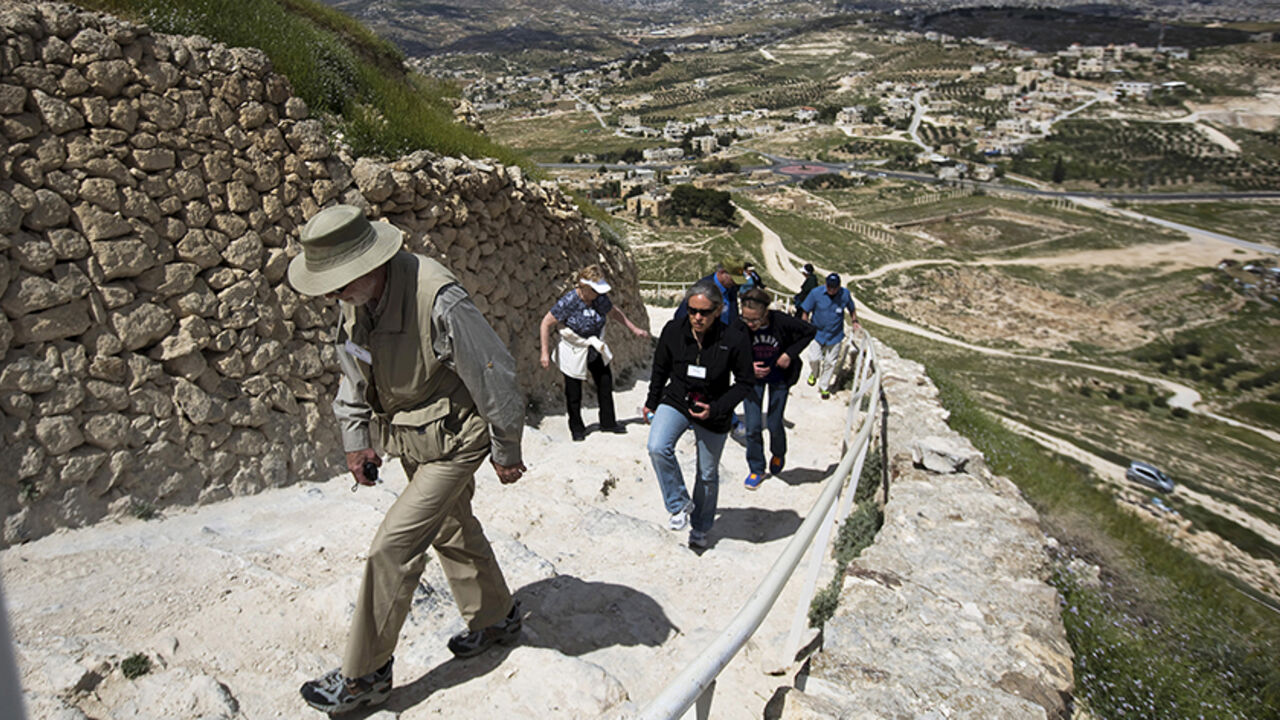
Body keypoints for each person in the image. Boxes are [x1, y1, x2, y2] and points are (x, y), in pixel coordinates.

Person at [288, 205, 527, 714]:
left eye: (337, 283)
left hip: (458, 439)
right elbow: (352, 373)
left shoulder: (437, 296)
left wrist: (506, 449)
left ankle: (365, 676)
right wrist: (357, 440)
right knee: (452, 528)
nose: (332, 295)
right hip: (411, 440)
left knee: (392, 547)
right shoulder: (355, 297)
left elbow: (495, 372)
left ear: (367, 262)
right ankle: (497, 617)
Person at [643, 280, 753, 550]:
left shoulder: (734, 339)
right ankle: (679, 504)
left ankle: (701, 527)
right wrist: (651, 402)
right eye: (692, 310)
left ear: (718, 310)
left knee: (706, 473)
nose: (697, 317)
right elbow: (660, 368)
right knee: (657, 446)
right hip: (678, 398)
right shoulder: (673, 331)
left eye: (704, 312)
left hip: (714, 406)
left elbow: (744, 383)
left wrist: (716, 409)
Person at [539, 264, 649, 441]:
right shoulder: (569, 301)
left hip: (594, 345)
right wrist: (544, 353)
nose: (598, 294)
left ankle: (608, 422)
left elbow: (614, 312)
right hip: (573, 348)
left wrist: (634, 328)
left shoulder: (600, 299)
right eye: (595, 290)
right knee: (573, 390)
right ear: (584, 287)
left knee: (605, 382)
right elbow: (546, 322)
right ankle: (577, 428)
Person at [738, 288, 815, 489]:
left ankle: (778, 452)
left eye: (754, 320)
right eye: (746, 319)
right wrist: (747, 367)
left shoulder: (781, 321)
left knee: (774, 422)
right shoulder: (741, 326)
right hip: (753, 380)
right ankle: (756, 468)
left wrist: (789, 354)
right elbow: (732, 350)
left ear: (765, 313)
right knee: (753, 427)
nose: (750, 324)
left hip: (779, 378)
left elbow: (810, 331)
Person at [800, 272, 861, 400]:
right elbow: (805, 310)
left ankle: (824, 387)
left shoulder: (844, 294)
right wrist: (804, 326)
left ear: (839, 286)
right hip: (816, 332)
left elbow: (851, 308)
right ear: (826, 284)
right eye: (829, 287)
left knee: (830, 362)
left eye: (834, 287)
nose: (832, 290)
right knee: (814, 358)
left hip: (835, 335)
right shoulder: (816, 293)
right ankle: (814, 373)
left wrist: (854, 321)